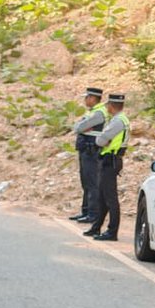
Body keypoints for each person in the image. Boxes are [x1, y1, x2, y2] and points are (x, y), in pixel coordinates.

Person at [84, 92, 130, 241]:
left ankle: (112, 231)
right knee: (103, 197)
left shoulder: (118, 121)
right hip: (109, 160)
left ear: (111, 106)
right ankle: (97, 227)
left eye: (108, 105)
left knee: (110, 198)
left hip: (111, 160)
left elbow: (101, 140)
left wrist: (101, 139)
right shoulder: (119, 119)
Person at [69, 87, 106, 224]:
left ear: (92, 98)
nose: (85, 100)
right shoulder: (92, 112)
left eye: (87, 97)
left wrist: (82, 126)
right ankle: (85, 211)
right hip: (85, 149)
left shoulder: (99, 113)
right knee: (85, 182)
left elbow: (78, 128)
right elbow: (78, 126)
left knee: (92, 183)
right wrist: (82, 125)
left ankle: (93, 213)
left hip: (91, 151)